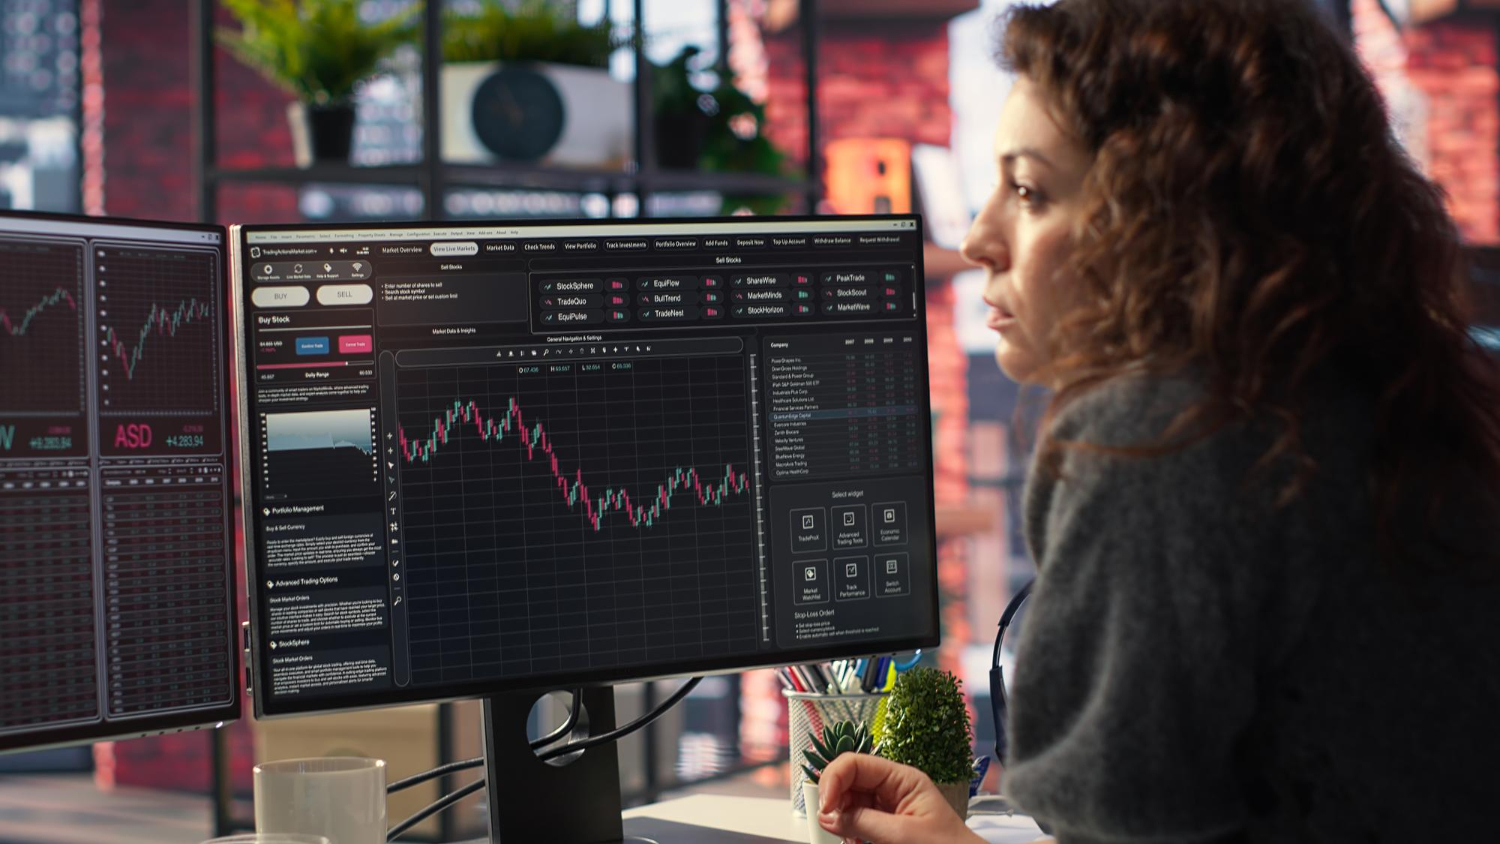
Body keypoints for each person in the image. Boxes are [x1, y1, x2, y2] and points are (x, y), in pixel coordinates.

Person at [816, 0, 1500, 842]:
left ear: (1170, 220)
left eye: (1028, 190)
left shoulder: (1159, 435)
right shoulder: (1381, 402)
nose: (982, 238)